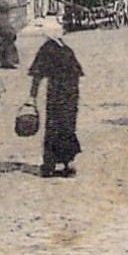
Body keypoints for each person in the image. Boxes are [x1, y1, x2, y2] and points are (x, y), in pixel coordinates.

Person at [27, 17, 84, 178]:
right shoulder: (66, 49)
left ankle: (49, 164)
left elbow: (37, 74)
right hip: (71, 95)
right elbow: (77, 73)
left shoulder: (47, 49)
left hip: (57, 94)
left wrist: (32, 96)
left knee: (53, 127)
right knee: (67, 127)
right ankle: (68, 163)